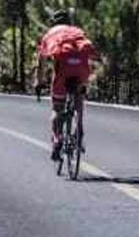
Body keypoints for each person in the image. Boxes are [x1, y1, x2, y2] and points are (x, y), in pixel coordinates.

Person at [33, 9, 98, 162]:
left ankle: (57, 139)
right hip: (81, 71)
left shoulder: (50, 34)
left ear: (54, 22)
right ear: (69, 21)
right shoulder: (77, 32)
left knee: (57, 108)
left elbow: (41, 62)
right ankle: (79, 130)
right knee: (79, 98)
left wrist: (39, 81)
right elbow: (90, 53)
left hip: (63, 72)